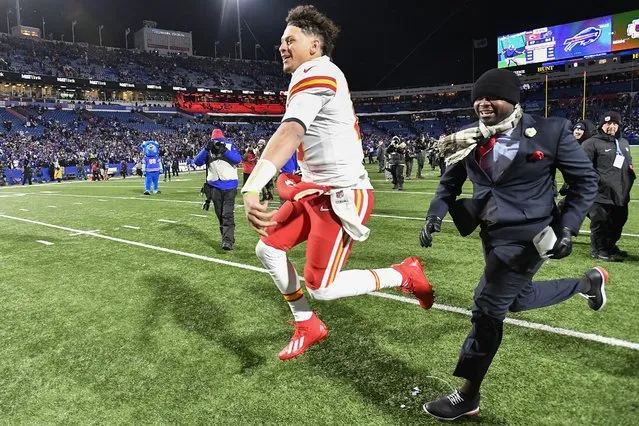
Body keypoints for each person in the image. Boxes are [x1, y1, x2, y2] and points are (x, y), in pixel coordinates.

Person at [241, 4, 433, 361]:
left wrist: (253, 184)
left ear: (314, 46)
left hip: (341, 196)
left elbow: (291, 130)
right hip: (316, 191)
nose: (281, 47)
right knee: (267, 248)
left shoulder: (316, 71)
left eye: (290, 40)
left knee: (323, 288)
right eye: (281, 41)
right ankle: (306, 323)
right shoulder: (315, 74)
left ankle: (403, 273)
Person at [420, 68, 605, 421]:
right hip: (491, 233)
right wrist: (435, 215)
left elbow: (585, 182)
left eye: (492, 96)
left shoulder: (551, 131)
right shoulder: (469, 138)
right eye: (478, 96)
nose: (483, 103)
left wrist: (567, 228)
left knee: (487, 308)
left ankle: (468, 395)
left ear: (513, 100)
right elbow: (449, 184)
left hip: (530, 237)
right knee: (515, 299)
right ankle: (586, 283)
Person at [582, 111, 635, 261]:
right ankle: (599, 250)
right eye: (608, 123)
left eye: (614, 124)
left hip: (620, 193)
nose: (611, 126)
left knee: (618, 222)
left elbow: (628, 164)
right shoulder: (591, 143)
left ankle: (610, 246)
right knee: (601, 223)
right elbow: (584, 167)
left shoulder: (623, 143)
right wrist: (597, 183)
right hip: (600, 193)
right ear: (601, 125)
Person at [194, 129, 241, 251]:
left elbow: (237, 159)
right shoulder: (208, 150)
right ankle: (226, 238)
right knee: (220, 214)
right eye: (215, 142)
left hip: (230, 186)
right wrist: (205, 149)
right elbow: (197, 162)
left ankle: (228, 240)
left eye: (219, 141)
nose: (217, 144)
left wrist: (224, 151)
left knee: (227, 214)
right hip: (214, 187)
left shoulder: (229, 146)